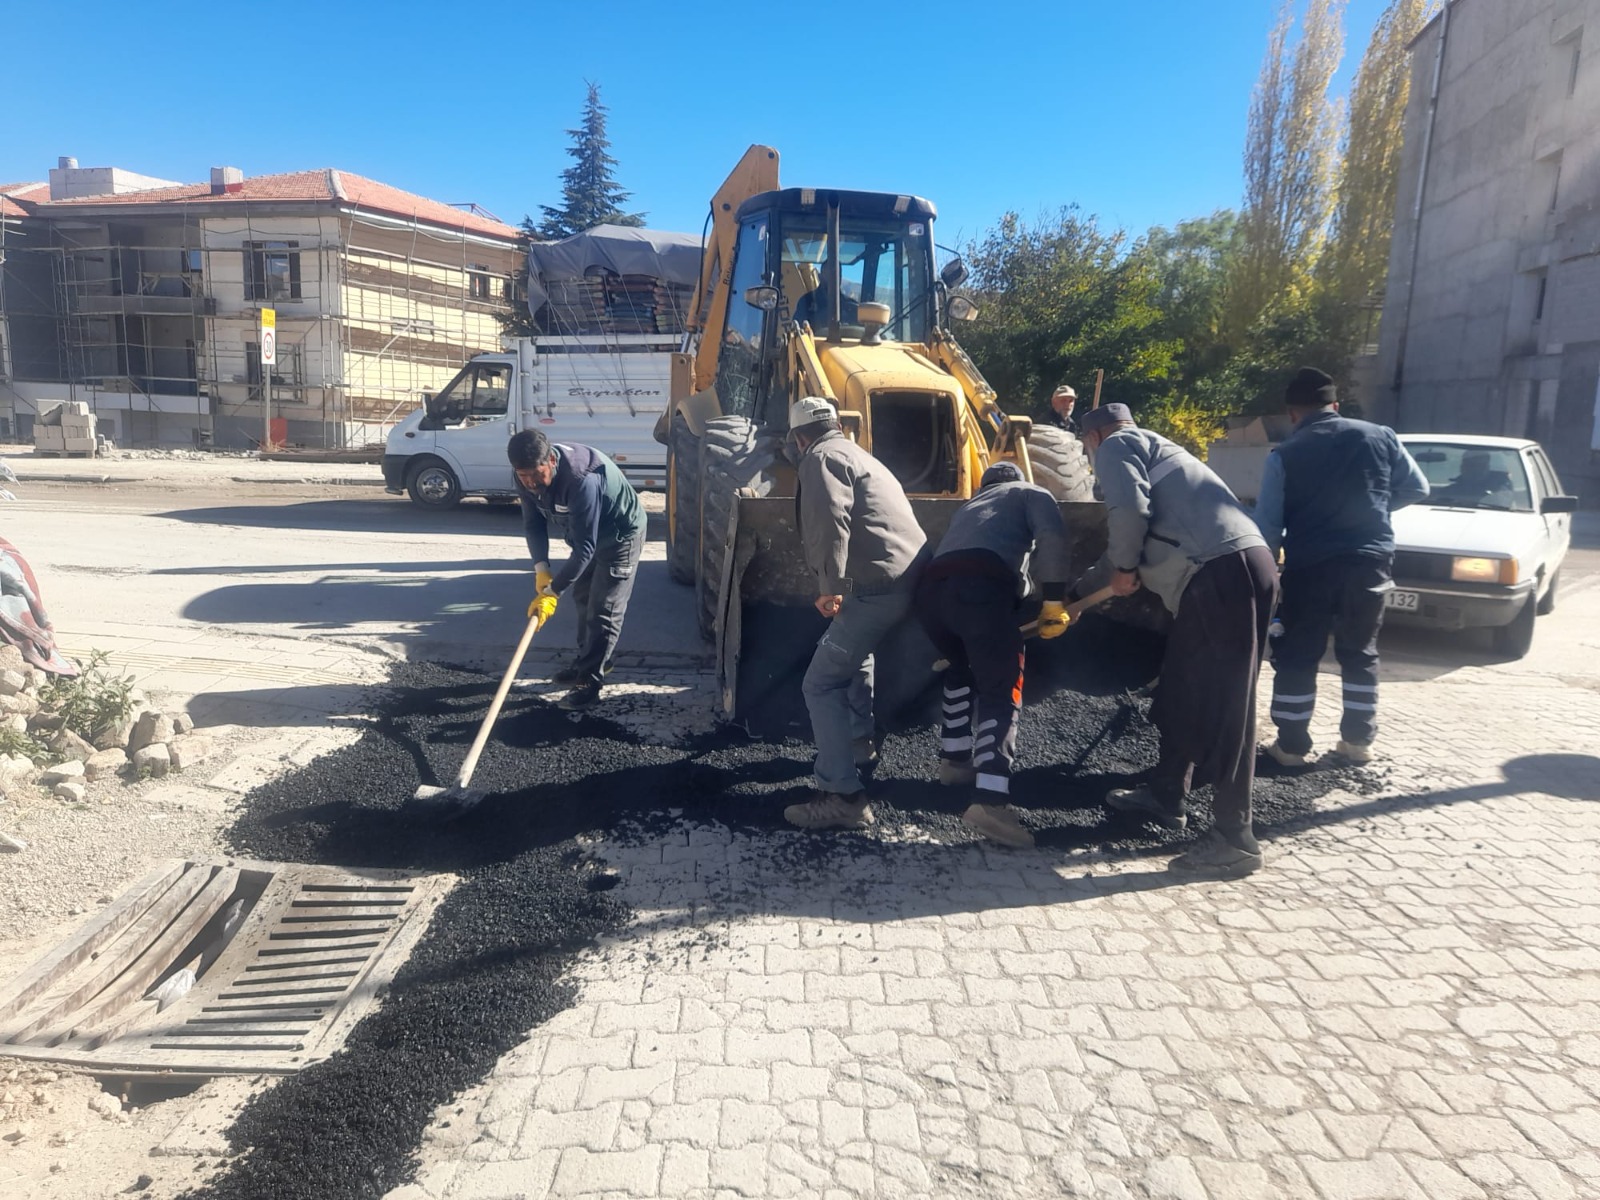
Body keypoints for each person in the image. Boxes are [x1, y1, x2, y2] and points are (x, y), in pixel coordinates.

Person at [1080, 403, 1279, 879]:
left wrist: (1125, 569)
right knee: (1182, 687)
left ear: (1093, 435)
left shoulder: (1117, 444)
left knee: (1230, 704)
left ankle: (1235, 837)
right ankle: (1167, 793)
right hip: (1236, 569)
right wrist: (1075, 593)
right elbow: (1135, 540)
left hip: (1222, 574)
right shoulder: (1164, 449)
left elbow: (1129, 510)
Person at [1253, 367, 1429, 766]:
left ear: (1293, 414)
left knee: (1299, 652)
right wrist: (1375, 507)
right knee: (1360, 652)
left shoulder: (1285, 454)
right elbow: (1418, 487)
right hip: (1370, 562)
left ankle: (1292, 747)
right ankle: (1357, 743)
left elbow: (1267, 527)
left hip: (1311, 566)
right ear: (1335, 405)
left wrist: (1266, 573)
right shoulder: (1380, 436)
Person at [785, 396, 929, 832]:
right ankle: (858, 742)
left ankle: (843, 796)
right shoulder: (859, 454)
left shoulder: (820, 458)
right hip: (909, 579)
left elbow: (831, 521)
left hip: (878, 590)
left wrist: (830, 588)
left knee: (820, 682)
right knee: (855, 652)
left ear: (798, 437)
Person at [913, 461, 1072, 848]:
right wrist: (1053, 599)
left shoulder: (968, 508)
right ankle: (990, 801)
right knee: (1002, 688)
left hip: (932, 597)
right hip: (980, 590)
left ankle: (954, 762)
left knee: (960, 668)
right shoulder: (1031, 493)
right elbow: (1051, 536)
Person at [510, 429, 646, 711]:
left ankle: (590, 681)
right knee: (583, 598)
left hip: (620, 535)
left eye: (537, 475)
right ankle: (591, 660)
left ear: (551, 461)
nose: (532, 483)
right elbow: (533, 524)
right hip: (586, 535)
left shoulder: (580, 479)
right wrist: (541, 569)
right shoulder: (523, 474)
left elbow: (585, 549)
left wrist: (552, 592)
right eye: (524, 477)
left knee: (603, 608)